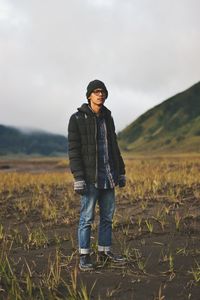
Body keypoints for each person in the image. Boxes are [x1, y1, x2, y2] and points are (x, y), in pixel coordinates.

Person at [68, 79, 126, 271]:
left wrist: (121, 171)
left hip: (108, 176)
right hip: (90, 178)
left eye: (103, 92)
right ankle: (84, 256)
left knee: (107, 218)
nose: (100, 94)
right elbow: (74, 150)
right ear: (89, 96)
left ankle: (104, 252)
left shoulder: (108, 118)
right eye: (96, 91)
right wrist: (78, 177)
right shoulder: (76, 119)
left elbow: (114, 146)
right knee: (86, 218)